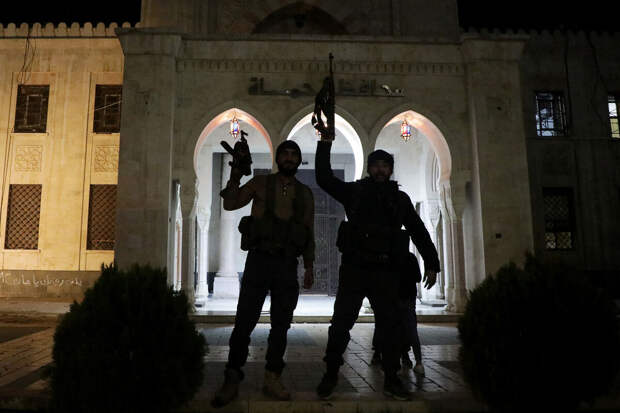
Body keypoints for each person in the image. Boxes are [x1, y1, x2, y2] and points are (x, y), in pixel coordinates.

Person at [314, 136, 440, 401]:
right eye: (376, 165)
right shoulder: (355, 193)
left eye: (385, 165)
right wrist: (324, 142)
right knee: (340, 324)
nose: (380, 170)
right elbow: (324, 179)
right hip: (355, 270)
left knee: (390, 327)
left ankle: (392, 379)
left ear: (390, 170)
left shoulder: (400, 199)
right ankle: (331, 373)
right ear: (369, 168)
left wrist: (432, 262)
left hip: (386, 272)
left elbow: (418, 230)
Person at [211, 140, 315, 407]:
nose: (289, 158)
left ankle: (272, 377)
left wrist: (309, 265)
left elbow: (308, 231)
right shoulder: (260, 183)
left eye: (294, 154)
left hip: (287, 264)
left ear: (298, 160)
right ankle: (232, 378)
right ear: (277, 158)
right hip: (259, 261)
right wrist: (235, 174)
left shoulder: (305, 194)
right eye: (285, 154)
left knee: (281, 325)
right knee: (244, 322)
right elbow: (230, 203)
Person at [372, 252, 429, 376]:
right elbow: (418, 277)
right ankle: (417, 362)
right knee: (411, 330)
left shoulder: (388, 257)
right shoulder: (411, 257)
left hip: (394, 299)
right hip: (408, 298)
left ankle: (388, 360)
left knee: (390, 329)